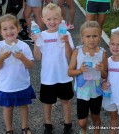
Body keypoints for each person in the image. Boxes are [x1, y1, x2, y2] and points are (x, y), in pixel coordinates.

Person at [32, 3, 74, 134]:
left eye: (55, 18)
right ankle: (48, 124)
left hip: (63, 75)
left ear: (61, 19)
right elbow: (37, 57)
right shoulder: (42, 35)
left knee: (66, 101)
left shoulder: (65, 33)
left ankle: (68, 124)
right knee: (47, 102)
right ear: (43, 20)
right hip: (47, 77)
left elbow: (70, 56)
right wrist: (36, 43)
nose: (52, 22)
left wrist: (66, 42)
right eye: (48, 19)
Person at [0, 14, 36, 134]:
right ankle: (9, 129)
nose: (9, 31)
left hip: (22, 84)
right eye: (5, 29)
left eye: (12, 27)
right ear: (0, 32)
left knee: (23, 106)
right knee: (8, 108)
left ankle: (25, 127)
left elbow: (30, 65)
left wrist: (23, 58)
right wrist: (1, 58)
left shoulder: (24, 46)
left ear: (18, 28)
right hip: (6, 86)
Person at [68, 21, 108, 134]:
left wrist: (101, 70)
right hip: (82, 93)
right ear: (82, 38)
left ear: (99, 37)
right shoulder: (77, 52)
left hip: (96, 92)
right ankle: (83, 130)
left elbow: (106, 75)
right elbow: (70, 72)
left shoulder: (102, 53)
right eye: (88, 36)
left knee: (96, 116)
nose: (91, 39)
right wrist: (80, 70)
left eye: (95, 36)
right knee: (82, 121)